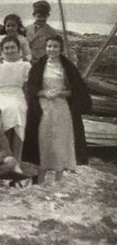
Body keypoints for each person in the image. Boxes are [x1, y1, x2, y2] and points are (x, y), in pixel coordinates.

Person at [23, 35, 92, 183]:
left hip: (61, 108)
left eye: (55, 46)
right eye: (49, 46)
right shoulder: (39, 66)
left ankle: (58, 180)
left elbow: (75, 90)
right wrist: (45, 93)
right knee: (43, 141)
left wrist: (61, 93)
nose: (51, 49)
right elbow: (32, 88)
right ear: (45, 48)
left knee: (60, 141)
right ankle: (41, 178)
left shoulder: (68, 67)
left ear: (61, 49)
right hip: (43, 108)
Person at [0, 35, 31, 171]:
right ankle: (3, 157)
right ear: (2, 49)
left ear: (18, 48)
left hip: (17, 93)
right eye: (6, 48)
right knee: (1, 110)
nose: (10, 50)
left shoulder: (25, 65)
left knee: (18, 111)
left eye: (13, 47)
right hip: (0, 93)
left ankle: (16, 161)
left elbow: (26, 86)